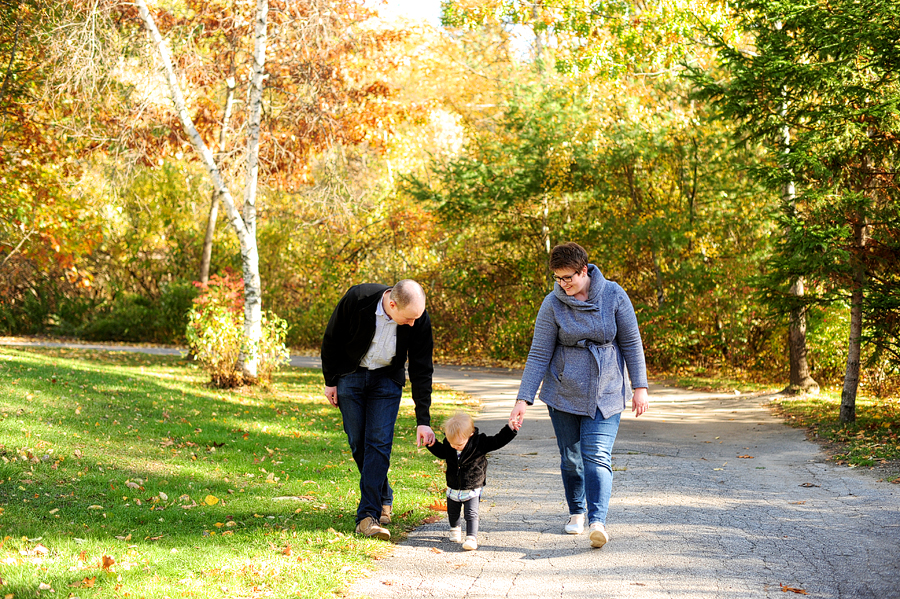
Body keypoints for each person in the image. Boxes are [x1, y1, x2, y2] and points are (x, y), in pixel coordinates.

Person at [508, 242, 649, 549]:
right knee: (572, 459)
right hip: (564, 391)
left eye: (568, 277)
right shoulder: (552, 303)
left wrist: (640, 387)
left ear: (584, 269)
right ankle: (577, 511)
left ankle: (598, 521)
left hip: (607, 389)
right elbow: (539, 354)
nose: (563, 284)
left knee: (597, 455)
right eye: (558, 279)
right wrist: (523, 399)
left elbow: (632, 343)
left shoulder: (614, 295)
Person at [321, 279, 436, 540]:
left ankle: (367, 515)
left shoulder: (418, 318)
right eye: (408, 319)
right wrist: (330, 381)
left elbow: (421, 369)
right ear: (392, 304)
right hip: (351, 375)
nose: (413, 323)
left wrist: (423, 419)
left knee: (379, 443)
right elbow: (332, 338)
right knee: (359, 444)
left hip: (387, 380)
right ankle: (383, 495)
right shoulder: (358, 298)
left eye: (417, 318)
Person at [426, 412, 517, 551]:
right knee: (453, 512)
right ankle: (455, 529)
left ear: (470, 434)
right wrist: (431, 445)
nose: (455, 447)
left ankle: (471, 538)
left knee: (471, 513)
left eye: (459, 444)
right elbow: (442, 452)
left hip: (472, 486)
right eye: (451, 444)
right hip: (453, 486)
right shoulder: (450, 444)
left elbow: (498, 441)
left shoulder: (480, 443)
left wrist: (510, 430)